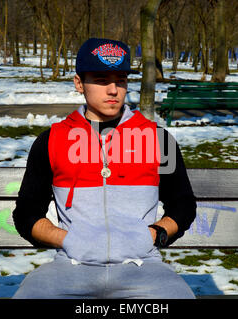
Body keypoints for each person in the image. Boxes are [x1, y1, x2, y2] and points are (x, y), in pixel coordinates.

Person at [12, 38, 196, 299]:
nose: (113, 90)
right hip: (70, 269)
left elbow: (183, 205)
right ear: (79, 83)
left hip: (144, 269)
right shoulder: (51, 141)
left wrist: (152, 236)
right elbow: (26, 214)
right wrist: (68, 241)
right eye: (100, 79)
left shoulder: (158, 139)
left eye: (120, 80)